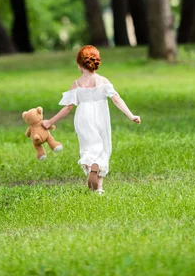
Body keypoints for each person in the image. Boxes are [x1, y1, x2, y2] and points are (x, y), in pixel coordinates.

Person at [42, 45, 141, 194]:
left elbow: (67, 108)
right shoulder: (103, 81)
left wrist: (50, 121)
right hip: (101, 116)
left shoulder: (76, 84)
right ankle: (99, 187)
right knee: (103, 148)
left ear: (79, 64)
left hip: (83, 118)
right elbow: (116, 99)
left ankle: (91, 169)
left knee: (89, 148)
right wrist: (131, 115)